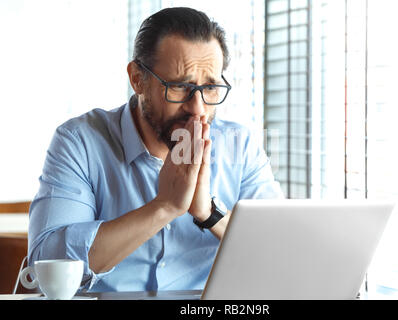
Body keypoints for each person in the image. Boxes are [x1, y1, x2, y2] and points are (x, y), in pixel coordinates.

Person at [28, 7, 283, 292]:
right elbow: (46, 263)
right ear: (138, 79)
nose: (198, 109)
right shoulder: (80, 142)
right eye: (178, 87)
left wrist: (208, 214)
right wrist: (165, 207)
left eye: (210, 88)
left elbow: (279, 253)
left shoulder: (241, 146)